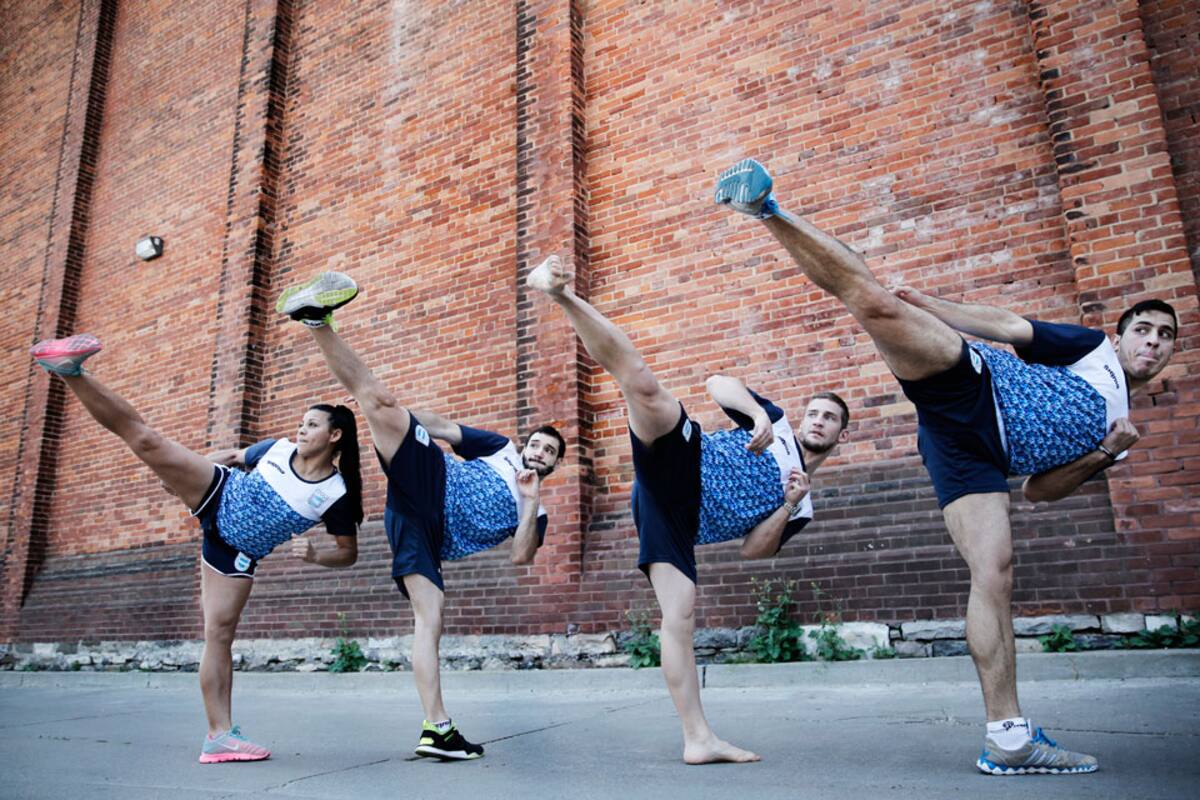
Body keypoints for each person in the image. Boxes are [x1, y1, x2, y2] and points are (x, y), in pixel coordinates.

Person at [714, 157, 1179, 775]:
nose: (1151, 341)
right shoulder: (1092, 349)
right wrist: (931, 306)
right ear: (1121, 337)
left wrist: (1106, 454)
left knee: (996, 571)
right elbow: (1012, 328)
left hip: (975, 457)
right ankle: (765, 208)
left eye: (1165, 336)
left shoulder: (1120, 431)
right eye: (1142, 329)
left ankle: (1008, 738)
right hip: (976, 386)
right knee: (876, 304)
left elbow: (1041, 491)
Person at [527, 255, 849, 764]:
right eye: (813, 411)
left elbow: (754, 550)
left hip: (679, 521)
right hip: (684, 464)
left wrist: (787, 504)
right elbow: (717, 382)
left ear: (839, 435)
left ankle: (698, 740)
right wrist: (756, 413)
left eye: (829, 418)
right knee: (644, 386)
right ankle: (560, 294)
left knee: (680, 614)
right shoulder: (778, 423)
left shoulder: (803, 503)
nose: (817, 420)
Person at [29, 334, 364, 765]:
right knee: (148, 442)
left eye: (312, 424)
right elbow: (232, 455)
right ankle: (71, 370)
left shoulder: (336, 494)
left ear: (335, 435)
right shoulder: (277, 449)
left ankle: (219, 736)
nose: (301, 428)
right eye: (301, 422)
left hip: (234, 551)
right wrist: (184, 475)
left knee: (219, 635)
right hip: (218, 491)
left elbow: (348, 552)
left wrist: (317, 556)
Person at [276, 272, 565, 761]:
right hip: (430, 479)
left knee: (429, 622)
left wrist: (530, 500)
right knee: (379, 400)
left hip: (422, 533)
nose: (538, 451)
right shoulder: (498, 449)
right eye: (535, 443)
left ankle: (438, 729)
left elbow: (520, 558)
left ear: (556, 464)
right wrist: (397, 419)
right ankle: (316, 321)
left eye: (549, 451)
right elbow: (442, 427)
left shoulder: (536, 512)